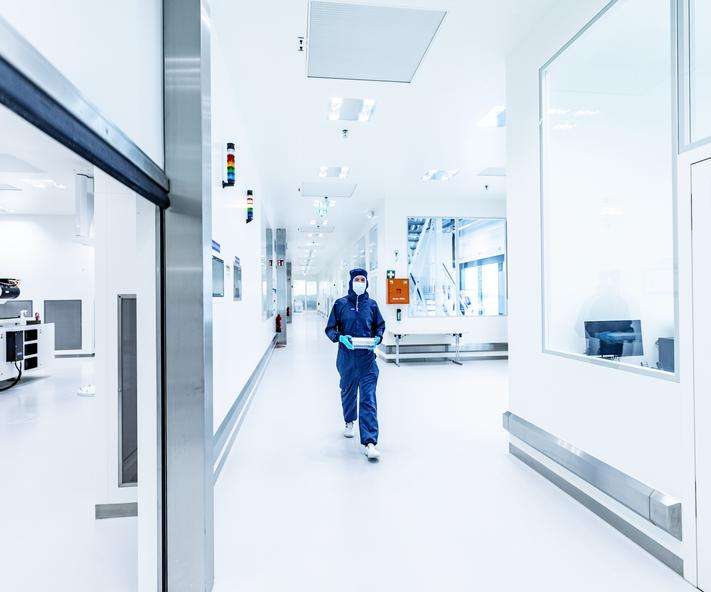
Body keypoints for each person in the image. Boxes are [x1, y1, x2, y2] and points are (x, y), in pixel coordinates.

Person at [325, 268, 385, 460]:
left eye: (363, 279)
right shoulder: (340, 304)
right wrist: (340, 338)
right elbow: (329, 329)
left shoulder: (372, 305)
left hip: (367, 359)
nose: (360, 282)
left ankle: (369, 442)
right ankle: (349, 421)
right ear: (351, 282)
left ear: (366, 283)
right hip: (346, 359)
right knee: (348, 392)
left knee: (368, 399)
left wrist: (378, 338)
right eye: (357, 279)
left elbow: (380, 326)